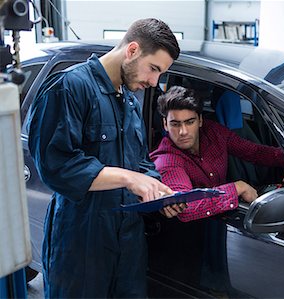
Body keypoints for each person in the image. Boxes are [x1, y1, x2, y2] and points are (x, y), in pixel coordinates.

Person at [27, 18, 183, 298]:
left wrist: (157, 191)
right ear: (132, 50)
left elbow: (141, 162)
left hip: (128, 242)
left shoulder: (130, 101)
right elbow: (57, 167)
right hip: (81, 240)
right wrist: (128, 178)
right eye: (154, 69)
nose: (153, 82)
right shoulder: (70, 87)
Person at [150, 85, 284, 222]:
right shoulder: (166, 160)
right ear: (165, 124)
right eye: (175, 124)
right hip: (192, 235)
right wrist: (237, 188)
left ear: (200, 120)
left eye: (189, 122)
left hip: (224, 223)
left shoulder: (213, 132)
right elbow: (187, 206)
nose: (183, 131)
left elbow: (254, 152)